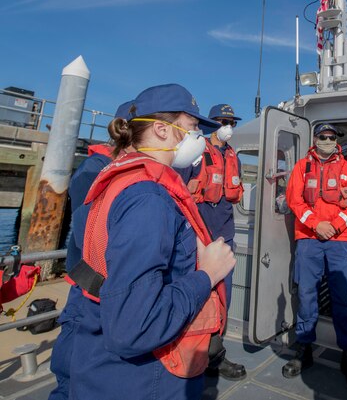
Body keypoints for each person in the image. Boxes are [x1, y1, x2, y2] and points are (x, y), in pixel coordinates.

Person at [62, 84, 236, 400]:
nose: (200, 138)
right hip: (144, 380)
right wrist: (207, 275)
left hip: (109, 371)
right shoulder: (148, 198)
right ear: (160, 129)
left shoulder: (127, 181)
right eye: (193, 127)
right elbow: (134, 327)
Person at [49, 99, 133, 400]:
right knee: (72, 375)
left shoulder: (128, 172)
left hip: (115, 292)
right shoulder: (93, 171)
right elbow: (93, 240)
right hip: (90, 290)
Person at [283, 123, 347, 391]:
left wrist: (336, 225)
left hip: (339, 241)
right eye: (323, 136)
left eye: (331, 137)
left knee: (343, 297)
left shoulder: (346, 167)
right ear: (315, 138)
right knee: (306, 293)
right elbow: (294, 200)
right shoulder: (301, 167)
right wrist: (316, 224)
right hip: (309, 238)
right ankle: (304, 348)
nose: (327, 141)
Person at [177, 103, 246, 380]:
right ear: (210, 124)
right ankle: (189, 355)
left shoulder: (233, 156)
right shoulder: (196, 153)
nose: (228, 127)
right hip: (197, 239)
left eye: (231, 122)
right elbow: (179, 192)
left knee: (222, 300)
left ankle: (216, 354)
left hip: (224, 237)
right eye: (222, 121)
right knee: (196, 298)